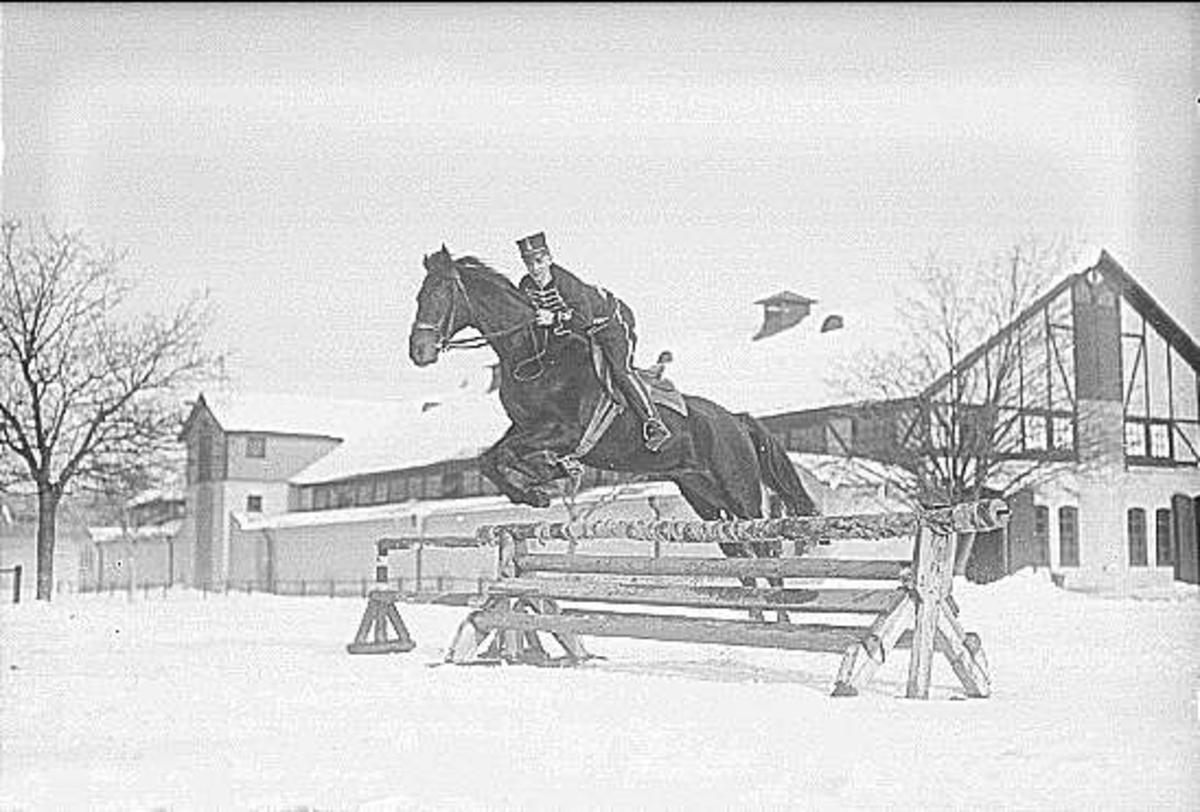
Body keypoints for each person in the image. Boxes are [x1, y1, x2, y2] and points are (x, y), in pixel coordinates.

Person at [515, 232, 671, 453]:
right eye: (529, 263)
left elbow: (583, 320)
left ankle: (653, 423)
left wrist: (554, 318)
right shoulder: (526, 285)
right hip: (578, 332)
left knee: (620, 370)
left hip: (611, 324)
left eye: (539, 261)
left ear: (549, 259)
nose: (535, 268)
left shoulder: (566, 283)